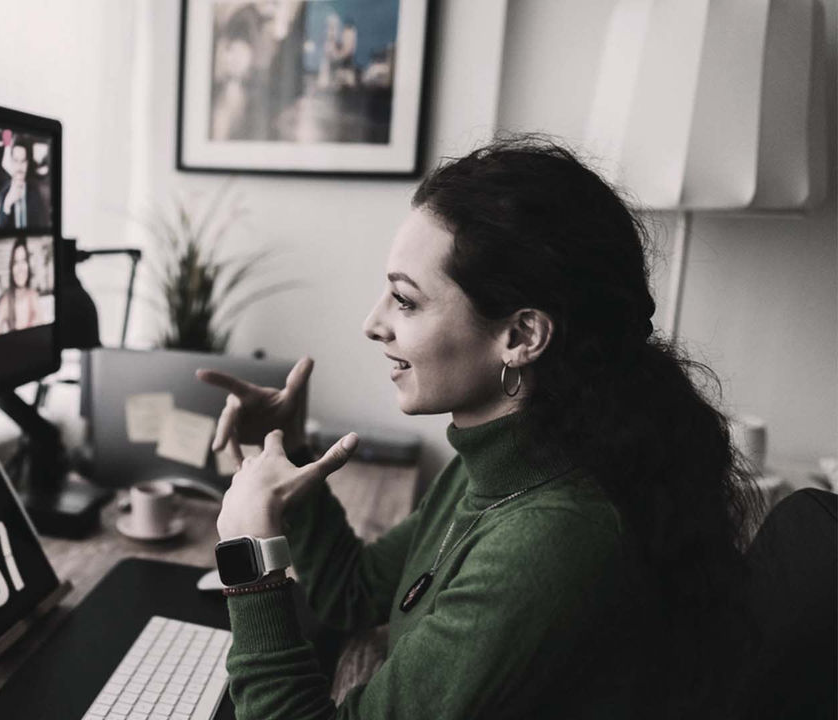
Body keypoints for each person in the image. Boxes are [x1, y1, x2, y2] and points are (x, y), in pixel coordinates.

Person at [198, 137, 761, 718]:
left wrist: (247, 555)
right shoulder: (506, 464)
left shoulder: (550, 543)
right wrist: (290, 448)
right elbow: (355, 592)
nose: (373, 323)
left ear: (519, 337)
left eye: (405, 301)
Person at [0, 238, 42, 335]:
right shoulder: (6, 301)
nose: (20, 268)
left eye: (23, 261)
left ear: (28, 265)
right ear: (11, 268)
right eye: (15, 262)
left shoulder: (34, 295)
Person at [0, 143, 49, 230]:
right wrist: (7, 205)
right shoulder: (4, 193)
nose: (19, 167)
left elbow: (42, 227)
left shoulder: (36, 192)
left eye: (23, 161)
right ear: (11, 162)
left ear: (27, 164)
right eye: (16, 161)